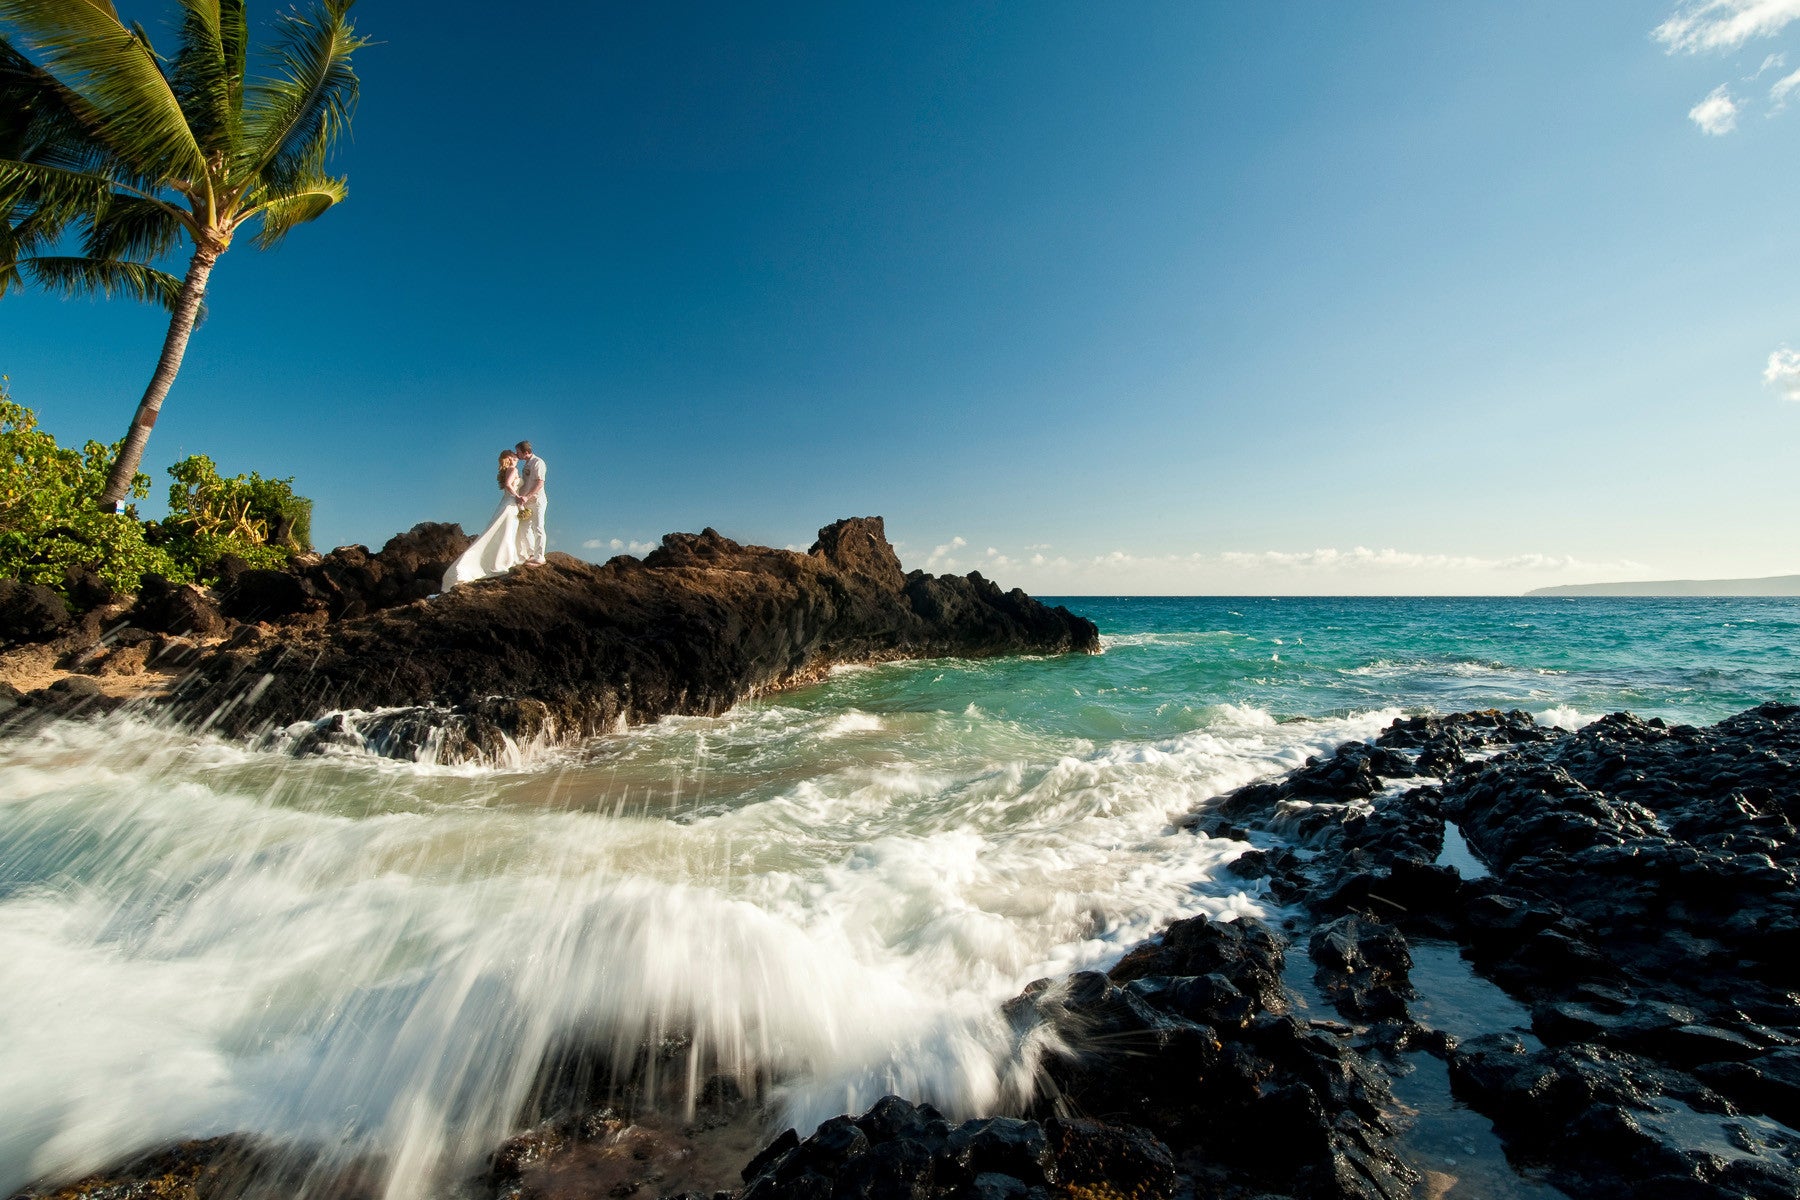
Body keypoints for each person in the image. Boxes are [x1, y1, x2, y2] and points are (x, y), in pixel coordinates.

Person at [440, 450, 528, 590]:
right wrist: (518, 497)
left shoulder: (509, 469)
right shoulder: (513, 469)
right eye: (514, 456)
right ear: (509, 458)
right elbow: (508, 484)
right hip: (510, 504)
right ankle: (503, 562)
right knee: (505, 533)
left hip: (509, 504)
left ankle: (503, 560)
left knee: (503, 532)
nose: (516, 457)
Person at [515, 439, 548, 564]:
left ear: (526, 452)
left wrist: (527, 497)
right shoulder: (526, 464)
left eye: (518, 452)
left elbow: (540, 483)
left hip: (537, 500)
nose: (517, 454)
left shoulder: (538, 462)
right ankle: (531, 553)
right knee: (524, 527)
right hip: (526, 502)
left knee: (538, 527)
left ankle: (540, 556)